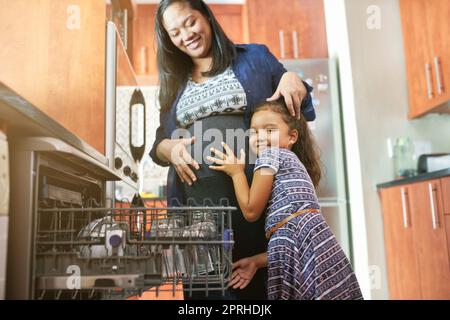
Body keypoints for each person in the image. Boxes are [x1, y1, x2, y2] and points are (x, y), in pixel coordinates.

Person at [150, 0, 316, 299]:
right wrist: (168, 149)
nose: (185, 35)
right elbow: (159, 143)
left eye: (190, 22)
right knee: (205, 297)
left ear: (207, 17)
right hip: (197, 218)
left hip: (255, 203)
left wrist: (295, 80)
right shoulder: (173, 83)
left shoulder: (254, 57)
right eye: (175, 32)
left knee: (257, 293)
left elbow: (299, 104)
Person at [208, 99, 363, 300]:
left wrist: (237, 172)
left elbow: (251, 210)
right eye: (254, 131)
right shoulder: (293, 162)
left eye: (269, 130)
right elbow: (292, 241)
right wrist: (255, 261)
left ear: (292, 136)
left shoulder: (270, 156)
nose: (260, 136)